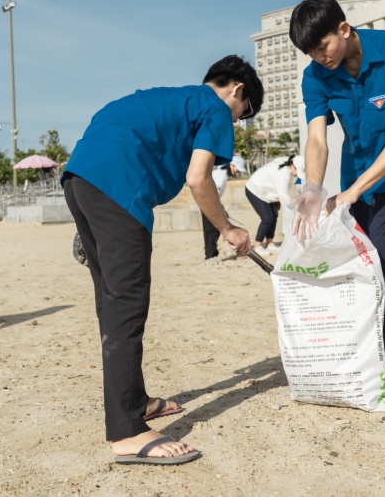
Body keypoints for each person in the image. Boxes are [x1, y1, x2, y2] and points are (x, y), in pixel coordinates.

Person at [62, 55, 263, 465]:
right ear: (237, 89)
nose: (238, 123)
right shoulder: (215, 107)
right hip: (119, 189)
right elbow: (198, 178)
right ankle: (127, 431)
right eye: (245, 115)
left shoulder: (173, 100)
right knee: (127, 306)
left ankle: (135, 400)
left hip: (80, 180)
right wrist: (229, 229)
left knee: (112, 302)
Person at [288, 0, 385, 392]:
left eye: (323, 47)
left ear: (344, 29)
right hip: (356, 179)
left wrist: (351, 191)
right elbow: (317, 140)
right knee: (357, 270)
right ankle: (358, 354)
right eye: (311, 54)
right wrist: (314, 189)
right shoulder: (315, 76)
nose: (320, 58)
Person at [244, 155, 305, 256]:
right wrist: (294, 207)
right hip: (255, 190)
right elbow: (283, 195)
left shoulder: (287, 164)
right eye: (298, 172)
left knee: (274, 215)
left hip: (268, 191)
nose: (297, 175)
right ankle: (257, 246)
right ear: (293, 166)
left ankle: (269, 244)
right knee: (267, 218)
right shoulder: (283, 174)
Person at [201, 155, 246, 261]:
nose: (237, 173)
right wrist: (219, 208)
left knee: (212, 230)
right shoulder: (221, 175)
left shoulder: (220, 174)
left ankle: (212, 253)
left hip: (209, 203)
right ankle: (210, 255)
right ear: (231, 165)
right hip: (209, 203)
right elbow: (214, 193)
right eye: (237, 170)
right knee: (211, 230)